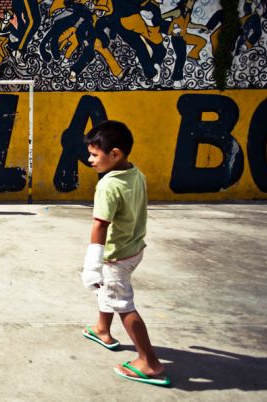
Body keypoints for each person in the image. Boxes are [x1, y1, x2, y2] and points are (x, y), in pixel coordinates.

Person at [80, 121, 170, 386]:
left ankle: (149, 362)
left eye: (95, 155)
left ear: (115, 154)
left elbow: (100, 224)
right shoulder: (135, 173)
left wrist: (93, 264)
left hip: (116, 255)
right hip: (134, 249)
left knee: (123, 303)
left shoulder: (108, 185)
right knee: (108, 289)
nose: (90, 160)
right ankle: (102, 329)